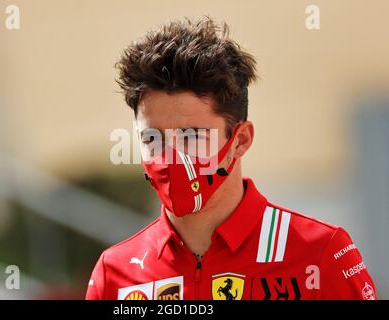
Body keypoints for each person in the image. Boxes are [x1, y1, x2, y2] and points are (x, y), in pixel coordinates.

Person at [85, 17, 376, 300]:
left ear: (241, 140)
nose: (171, 157)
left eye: (192, 137)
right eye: (152, 138)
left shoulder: (321, 253)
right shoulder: (115, 274)